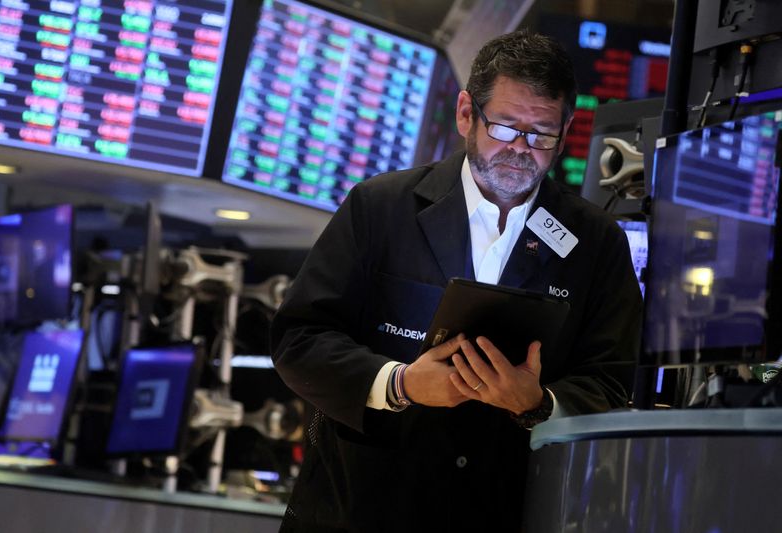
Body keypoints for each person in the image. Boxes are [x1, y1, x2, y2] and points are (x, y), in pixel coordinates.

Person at [270, 30, 642, 532]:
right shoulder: (380, 207)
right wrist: (400, 384)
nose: (521, 149)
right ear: (467, 113)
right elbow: (299, 339)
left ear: (567, 130)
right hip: (360, 510)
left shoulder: (596, 242)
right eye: (506, 126)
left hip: (506, 511)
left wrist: (537, 404)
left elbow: (612, 380)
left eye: (542, 134)